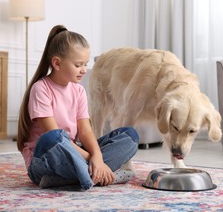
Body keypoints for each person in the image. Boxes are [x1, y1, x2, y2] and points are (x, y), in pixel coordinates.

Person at [17, 25, 139, 191]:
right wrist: (95, 160)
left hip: (74, 156)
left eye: (85, 64)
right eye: (78, 65)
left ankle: (66, 179)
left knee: (129, 136)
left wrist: (97, 156)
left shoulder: (79, 90)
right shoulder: (41, 89)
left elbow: (86, 131)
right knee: (55, 137)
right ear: (57, 63)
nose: (84, 70)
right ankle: (99, 175)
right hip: (46, 160)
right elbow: (55, 138)